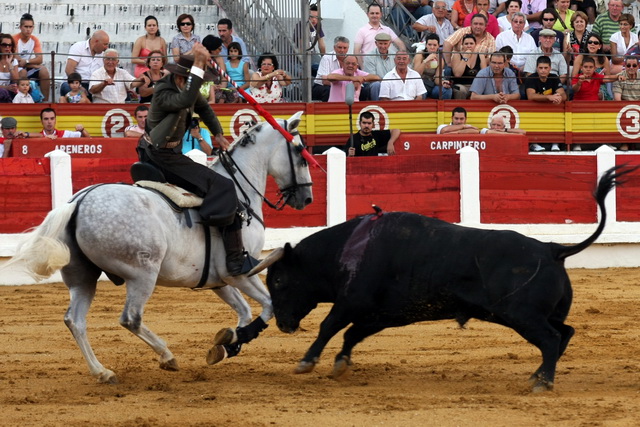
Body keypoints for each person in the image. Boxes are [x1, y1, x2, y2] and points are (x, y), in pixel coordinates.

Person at [139, 47, 257, 276]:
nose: (200, 85)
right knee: (223, 185)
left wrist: (218, 133)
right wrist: (199, 66)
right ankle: (234, 261)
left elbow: (204, 108)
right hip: (160, 156)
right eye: (195, 78)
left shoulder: (184, 86)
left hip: (168, 154)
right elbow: (184, 99)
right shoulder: (164, 89)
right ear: (183, 77)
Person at [353, 3, 405, 68]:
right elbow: (356, 51)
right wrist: (363, 68)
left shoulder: (387, 30)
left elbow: (400, 44)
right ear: (368, 14)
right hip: (369, 66)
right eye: (372, 13)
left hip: (387, 67)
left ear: (381, 14)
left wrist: (399, 60)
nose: (374, 15)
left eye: (377, 13)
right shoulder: (361, 31)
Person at [13, 13, 50, 102]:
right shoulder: (14, 39)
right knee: (23, 72)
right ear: (20, 27)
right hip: (14, 68)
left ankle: (45, 101)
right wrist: (31, 64)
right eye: (26, 27)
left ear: (33, 27)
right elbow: (16, 59)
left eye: (30, 27)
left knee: (44, 70)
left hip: (26, 65)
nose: (28, 29)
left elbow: (40, 59)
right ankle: (21, 101)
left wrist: (26, 61)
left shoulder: (35, 39)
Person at [62, 30, 110, 97]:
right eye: (105, 44)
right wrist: (79, 86)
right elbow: (69, 70)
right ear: (96, 41)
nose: (106, 47)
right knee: (72, 91)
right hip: (75, 83)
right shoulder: (78, 47)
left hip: (94, 85)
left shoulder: (105, 53)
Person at [571, 34, 612, 100]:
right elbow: (574, 76)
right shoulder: (580, 57)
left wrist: (598, 76)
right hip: (583, 84)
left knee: (600, 94)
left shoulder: (604, 58)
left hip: (599, 85)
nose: (592, 44)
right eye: (590, 42)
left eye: (595, 43)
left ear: (600, 46)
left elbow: (608, 77)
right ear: (587, 45)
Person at [412, 33, 453, 99]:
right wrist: (426, 61)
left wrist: (443, 83)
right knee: (420, 93)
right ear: (426, 45)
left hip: (431, 85)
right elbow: (416, 75)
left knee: (447, 91)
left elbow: (437, 79)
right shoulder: (420, 55)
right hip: (420, 84)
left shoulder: (440, 59)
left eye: (434, 45)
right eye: (429, 45)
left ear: (438, 46)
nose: (432, 47)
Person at [202, 35, 237, 104]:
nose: (220, 51)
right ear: (211, 49)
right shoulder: (200, 59)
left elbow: (224, 77)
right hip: (204, 87)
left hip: (218, 86)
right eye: (219, 49)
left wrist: (222, 86)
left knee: (235, 95)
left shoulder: (219, 58)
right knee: (220, 97)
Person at [313, 36, 349, 102]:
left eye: (345, 48)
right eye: (339, 47)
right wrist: (344, 85)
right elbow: (325, 81)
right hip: (321, 86)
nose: (342, 50)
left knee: (362, 90)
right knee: (329, 90)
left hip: (341, 85)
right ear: (334, 48)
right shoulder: (326, 58)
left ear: (348, 49)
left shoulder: (350, 60)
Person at [451, 34, 487, 99]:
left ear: (475, 45)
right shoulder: (457, 55)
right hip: (462, 85)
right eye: (466, 44)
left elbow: (484, 75)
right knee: (459, 90)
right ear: (462, 45)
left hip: (476, 86)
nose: (469, 46)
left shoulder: (481, 56)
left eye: (471, 43)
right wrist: (465, 58)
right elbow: (457, 74)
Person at [293, 3, 326, 74]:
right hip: (297, 57)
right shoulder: (300, 25)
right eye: (311, 17)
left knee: (323, 70)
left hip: (312, 54)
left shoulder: (318, 25)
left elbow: (322, 45)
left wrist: (325, 59)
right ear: (306, 16)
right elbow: (302, 47)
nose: (314, 20)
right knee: (304, 73)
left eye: (316, 17)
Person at [363, 33, 396, 101]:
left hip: (392, 83)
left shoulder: (395, 55)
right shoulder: (369, 56)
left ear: (389, 44)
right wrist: (386, 83)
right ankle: (377, 106)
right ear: (376, 43)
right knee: (376, 85)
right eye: (380, 43)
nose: (383, 46)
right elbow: (372, 77)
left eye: (385, 44)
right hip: (376, 84)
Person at [0, 33, 19, 102]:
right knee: (2, 92)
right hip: (3, 91)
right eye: (4, 45)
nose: (7, 47)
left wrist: (9, 64)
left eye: (9, 45)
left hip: (8, 92)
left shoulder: (14, 61)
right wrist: (6, 87)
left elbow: (16, 80)